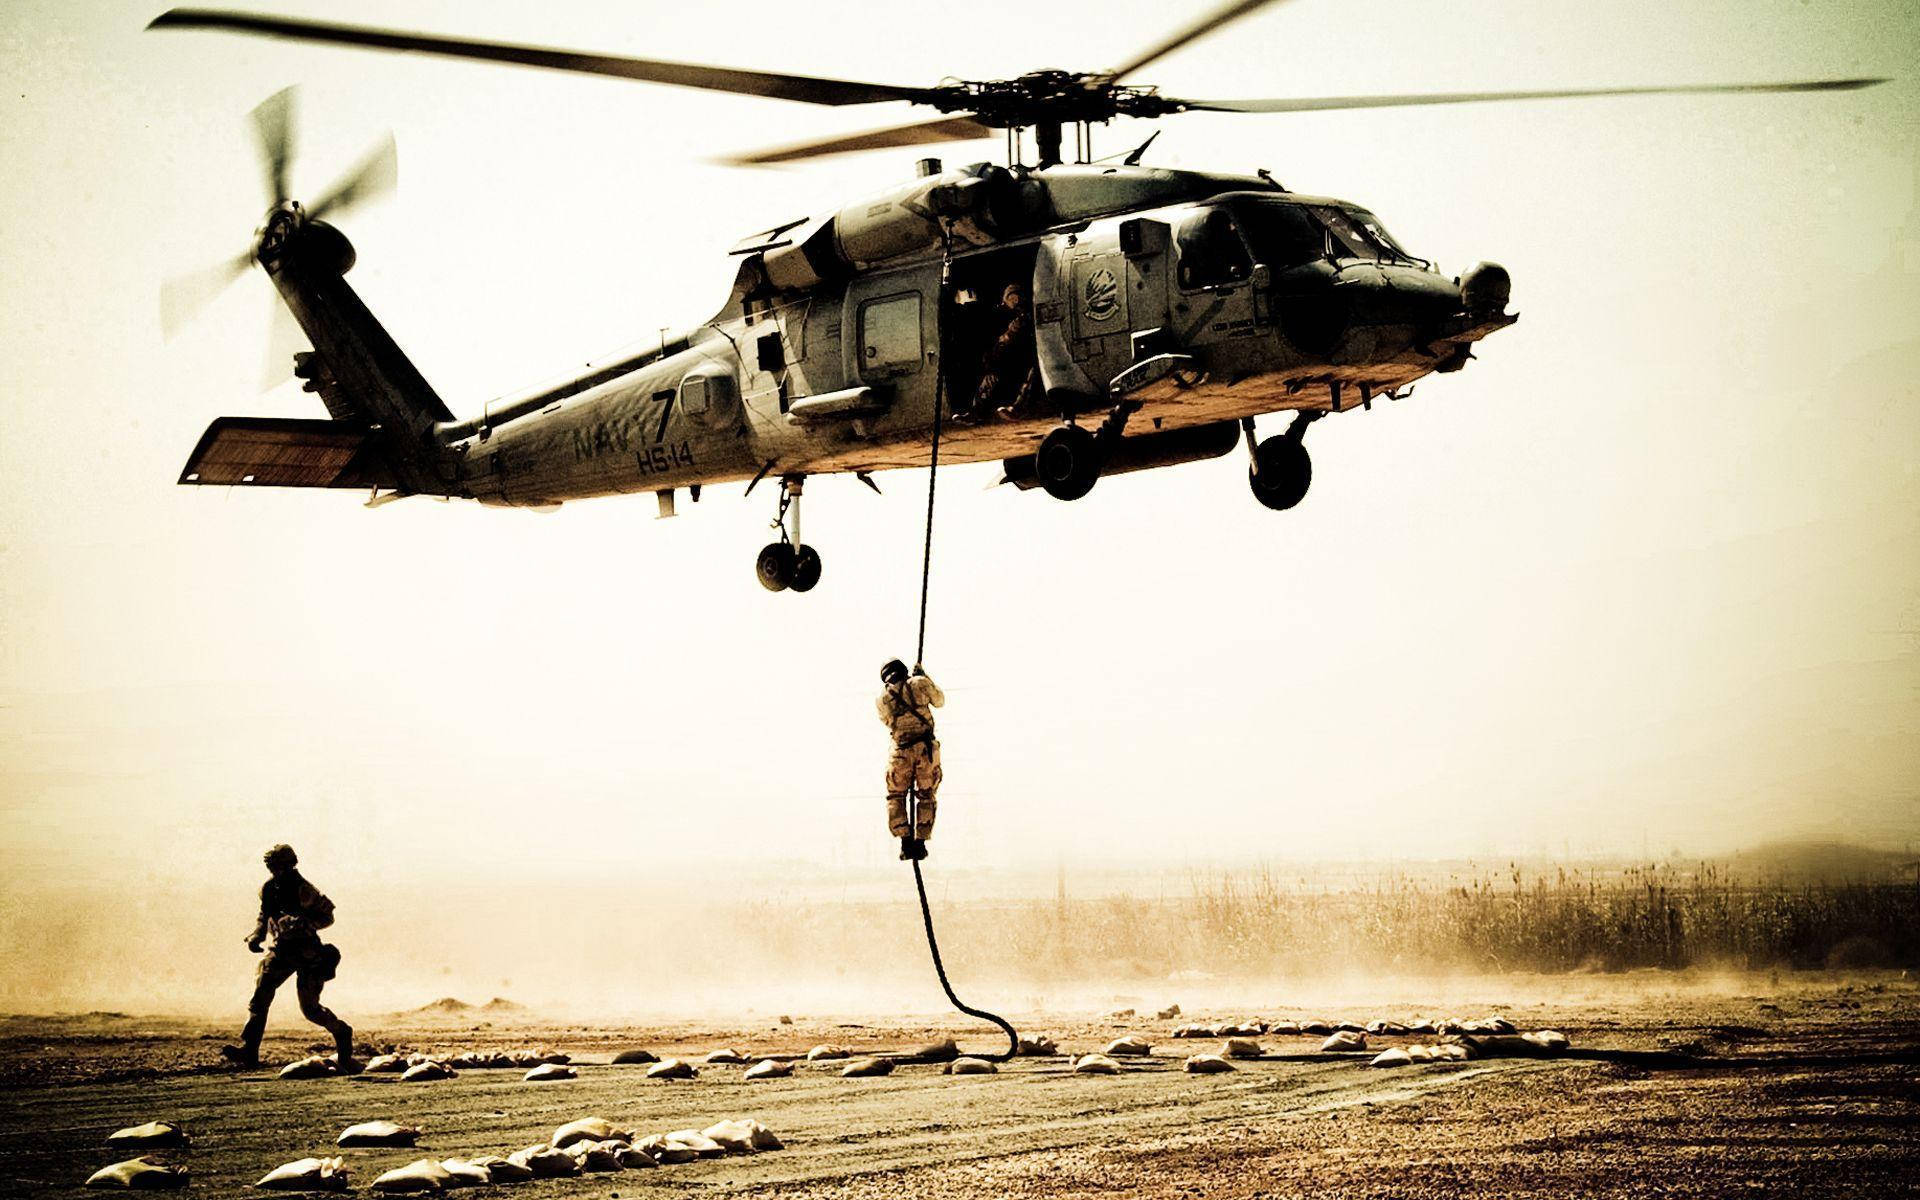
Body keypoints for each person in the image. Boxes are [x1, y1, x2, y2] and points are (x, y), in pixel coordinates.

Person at [220, 844, 358, 1073]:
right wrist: (257, 935)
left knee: (311, 1010)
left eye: (279, 866)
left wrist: (307, 922)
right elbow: (264, 915)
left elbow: (328, 916)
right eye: (272, 867)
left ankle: (342, 1032)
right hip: (281, 951)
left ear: (290, 864)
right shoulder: (269, 888)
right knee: (260, 995)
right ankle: (249, 1050)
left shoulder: (305, 889)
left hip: (307, 953)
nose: (275, 871)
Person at [877, 658, 944, 861]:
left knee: (896, 795)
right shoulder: (919, 684)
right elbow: (939, 701)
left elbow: (888, 722)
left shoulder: (882, 698)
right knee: (925, 794)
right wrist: (924, 677)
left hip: (900, 752)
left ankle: (905, 843)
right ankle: (920, 843)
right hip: (925, 750)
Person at [965, 282, 1038, 422]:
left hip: (1035, 355)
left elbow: (1009, 337)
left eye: (1009, 301)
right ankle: (978, 410)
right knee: (995, 373)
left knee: (1034, 371)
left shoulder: (1025, 317)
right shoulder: (1023, 316)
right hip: (1025, 355)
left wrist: (994, 354)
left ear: (1014, 299)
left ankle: (1018, 408)